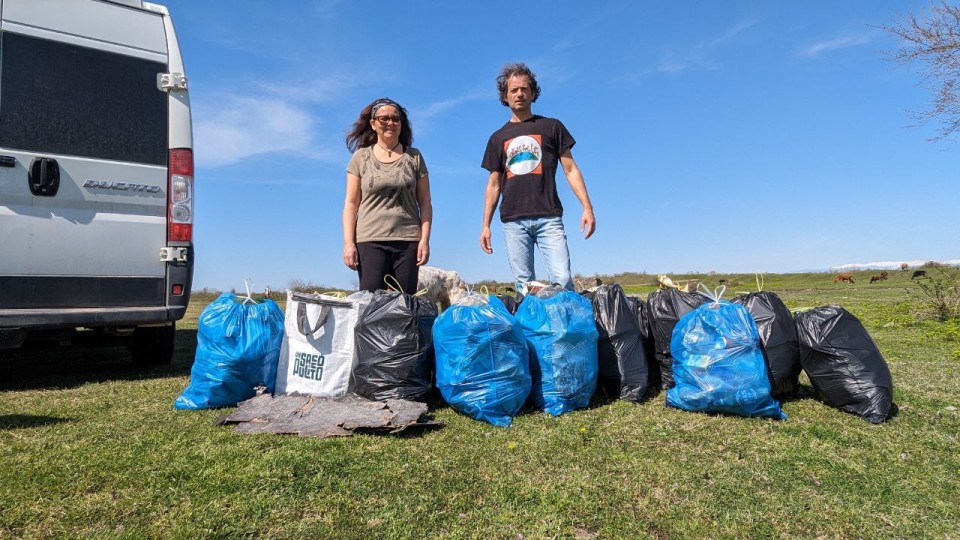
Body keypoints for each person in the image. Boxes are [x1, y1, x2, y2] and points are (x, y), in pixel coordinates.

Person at [479, 63, 596, 292]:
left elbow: (570, 169)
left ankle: (566, 328)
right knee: (525, 287)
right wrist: (485, 225)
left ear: (533, 93)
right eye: (513, 90)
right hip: (513, 220)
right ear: (505, 96)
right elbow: (493, 185)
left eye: (524, 89)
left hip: (549, 217)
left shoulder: (552, 127)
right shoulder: (497, 138)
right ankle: (534, 329)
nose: (519, 94)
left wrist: (587, 207)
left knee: (562, 280)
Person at [343, 97, 432, 293]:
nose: (390, 123)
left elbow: (425, 202)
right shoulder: (360, 157)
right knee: (371, 305)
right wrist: (349, 243)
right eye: (384, 119)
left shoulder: (414, 157)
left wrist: (424, 240)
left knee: (404, 305)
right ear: (373, 124)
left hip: (408, 241)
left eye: (395, 119)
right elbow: (351, 203)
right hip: (370, 240)